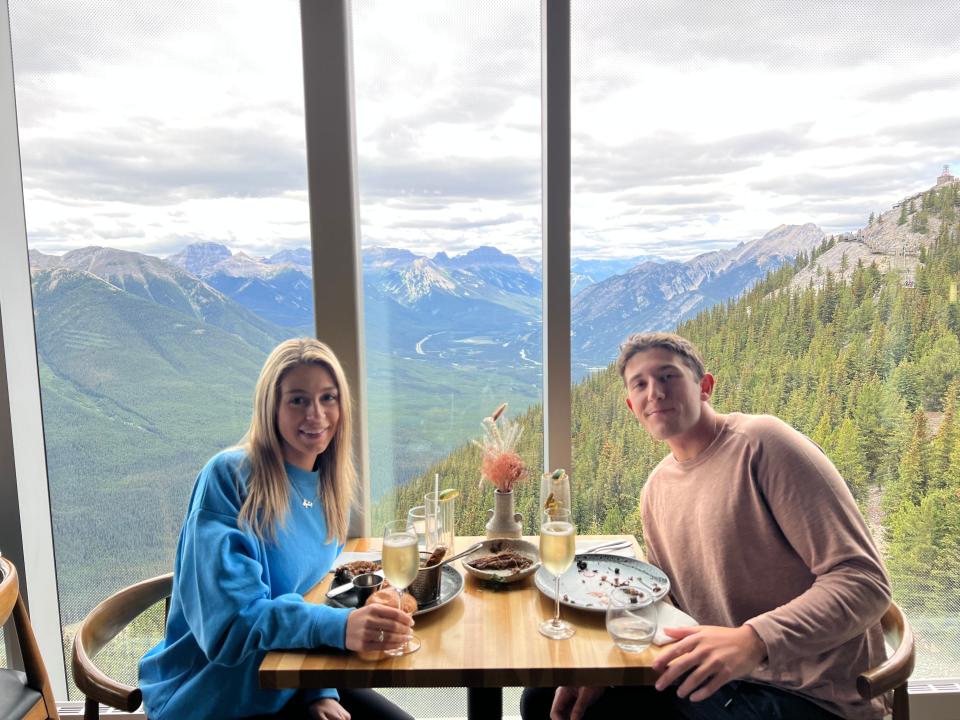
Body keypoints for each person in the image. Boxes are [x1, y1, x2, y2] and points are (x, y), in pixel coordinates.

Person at [522, 332, 891, 720]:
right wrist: (610, 668)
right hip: (713, 679)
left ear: (705, 387)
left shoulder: (762, 445)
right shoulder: (657, 489)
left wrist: (754, 640)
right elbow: (668, 605)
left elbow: (864, 581)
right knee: (542, 701)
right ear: (633, 407)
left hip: (805, 695)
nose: (656, 393)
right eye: (641, 384)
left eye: (668, 377)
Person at [139, 338, 414, 720]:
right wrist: (342, 629)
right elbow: (231, 627)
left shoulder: (325, 486)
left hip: (290, 680)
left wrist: (317, 688)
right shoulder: (229, 479)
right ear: (271, 406)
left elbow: (312, 599)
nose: (316, 415)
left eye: (328, 398)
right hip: (213, 696)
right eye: (298, 400)